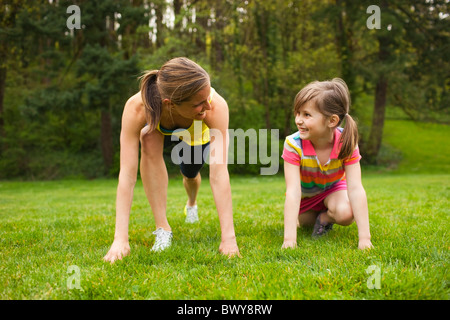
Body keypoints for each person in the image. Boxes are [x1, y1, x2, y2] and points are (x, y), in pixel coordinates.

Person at [103, 57, 239, 263]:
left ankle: (191, 203)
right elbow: (128, 175)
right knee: (147, 136)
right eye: (199, 103)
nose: (208, 105)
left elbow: (219, 173)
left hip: (196, 129)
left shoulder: (215, 107)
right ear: (170, 103)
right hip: (160, 123)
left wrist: (228, 239)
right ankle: (162, 228)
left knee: (190, 174)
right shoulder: (137, 108)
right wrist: (120, 239)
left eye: (207, 97)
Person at [281, 78, 373, 250]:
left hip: (334, 191)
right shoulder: (293, 144)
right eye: (298, 113)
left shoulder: (347, 142)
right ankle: (318, 218)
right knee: (305, 225)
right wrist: (289, 240)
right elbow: (293, 191)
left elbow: (355, 188)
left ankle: (326, 219)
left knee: (346, 214)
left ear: (332, 121)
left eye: (307, 115)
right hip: (306, 198)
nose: (298, 120)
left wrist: (365, 239)